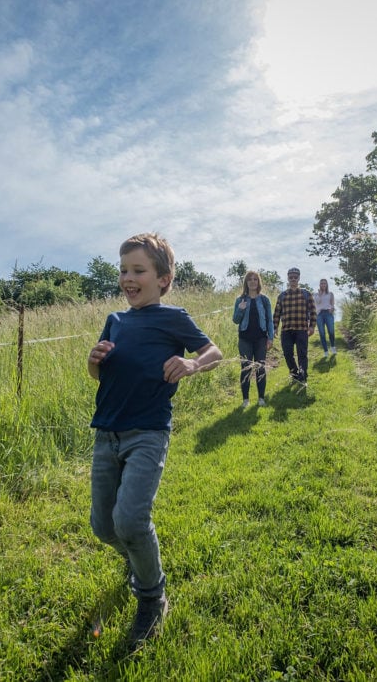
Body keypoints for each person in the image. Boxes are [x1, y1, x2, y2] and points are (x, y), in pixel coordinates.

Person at [87, 232, 223, 648]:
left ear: (163, 279)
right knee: (103, 526)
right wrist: (93, 363)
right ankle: (137, 562)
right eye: (124, 270)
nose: (128, 278)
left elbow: (214, 352)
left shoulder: (173, 317)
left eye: (138, 270)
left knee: (130, 520)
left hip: (147, 431)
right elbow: (101, 375)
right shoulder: (116, 320)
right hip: (106, 432)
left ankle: (152, 596)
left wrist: (191, 363)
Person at [232, 270, 275, 408]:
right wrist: (240, 309)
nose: (252, 281)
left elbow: (269, 320)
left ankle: (261, 398)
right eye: (250, 279)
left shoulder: (264, 299)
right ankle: (245, 400)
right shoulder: (240, 300)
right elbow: (235, 320)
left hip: (261, 339)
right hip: (245, 339)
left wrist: (270, 338)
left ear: (258, 282)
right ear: (246, 282)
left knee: (260, 368)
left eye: (255, 279)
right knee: (245, 368)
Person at [272, 266, 316, 385]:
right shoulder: (282, 296)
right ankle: (295, 373)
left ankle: (303, 376)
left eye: (295, 277)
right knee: (287, 354)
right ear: (288, 278)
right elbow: (277, 313)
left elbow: (313, 311)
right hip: (286, 330)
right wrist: (275, 327)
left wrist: (312, 326)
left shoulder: (306, 294)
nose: (293, 279)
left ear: (299, 278)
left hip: (302, 329)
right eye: (291, 277)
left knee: (302, 354)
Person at [315, 278, 337, 357]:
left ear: (327, 284)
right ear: (319, 285)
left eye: (324, 283)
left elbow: (332, 304)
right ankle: (325, 351)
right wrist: (320, 295)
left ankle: (333, 347)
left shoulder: (330, 294)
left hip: (328, 313)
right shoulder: (316, 295)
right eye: (322, 283)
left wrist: (332, 309)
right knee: (322, 333)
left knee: (331, 331)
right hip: (319, 314)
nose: (323, 285)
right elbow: (318, 302)